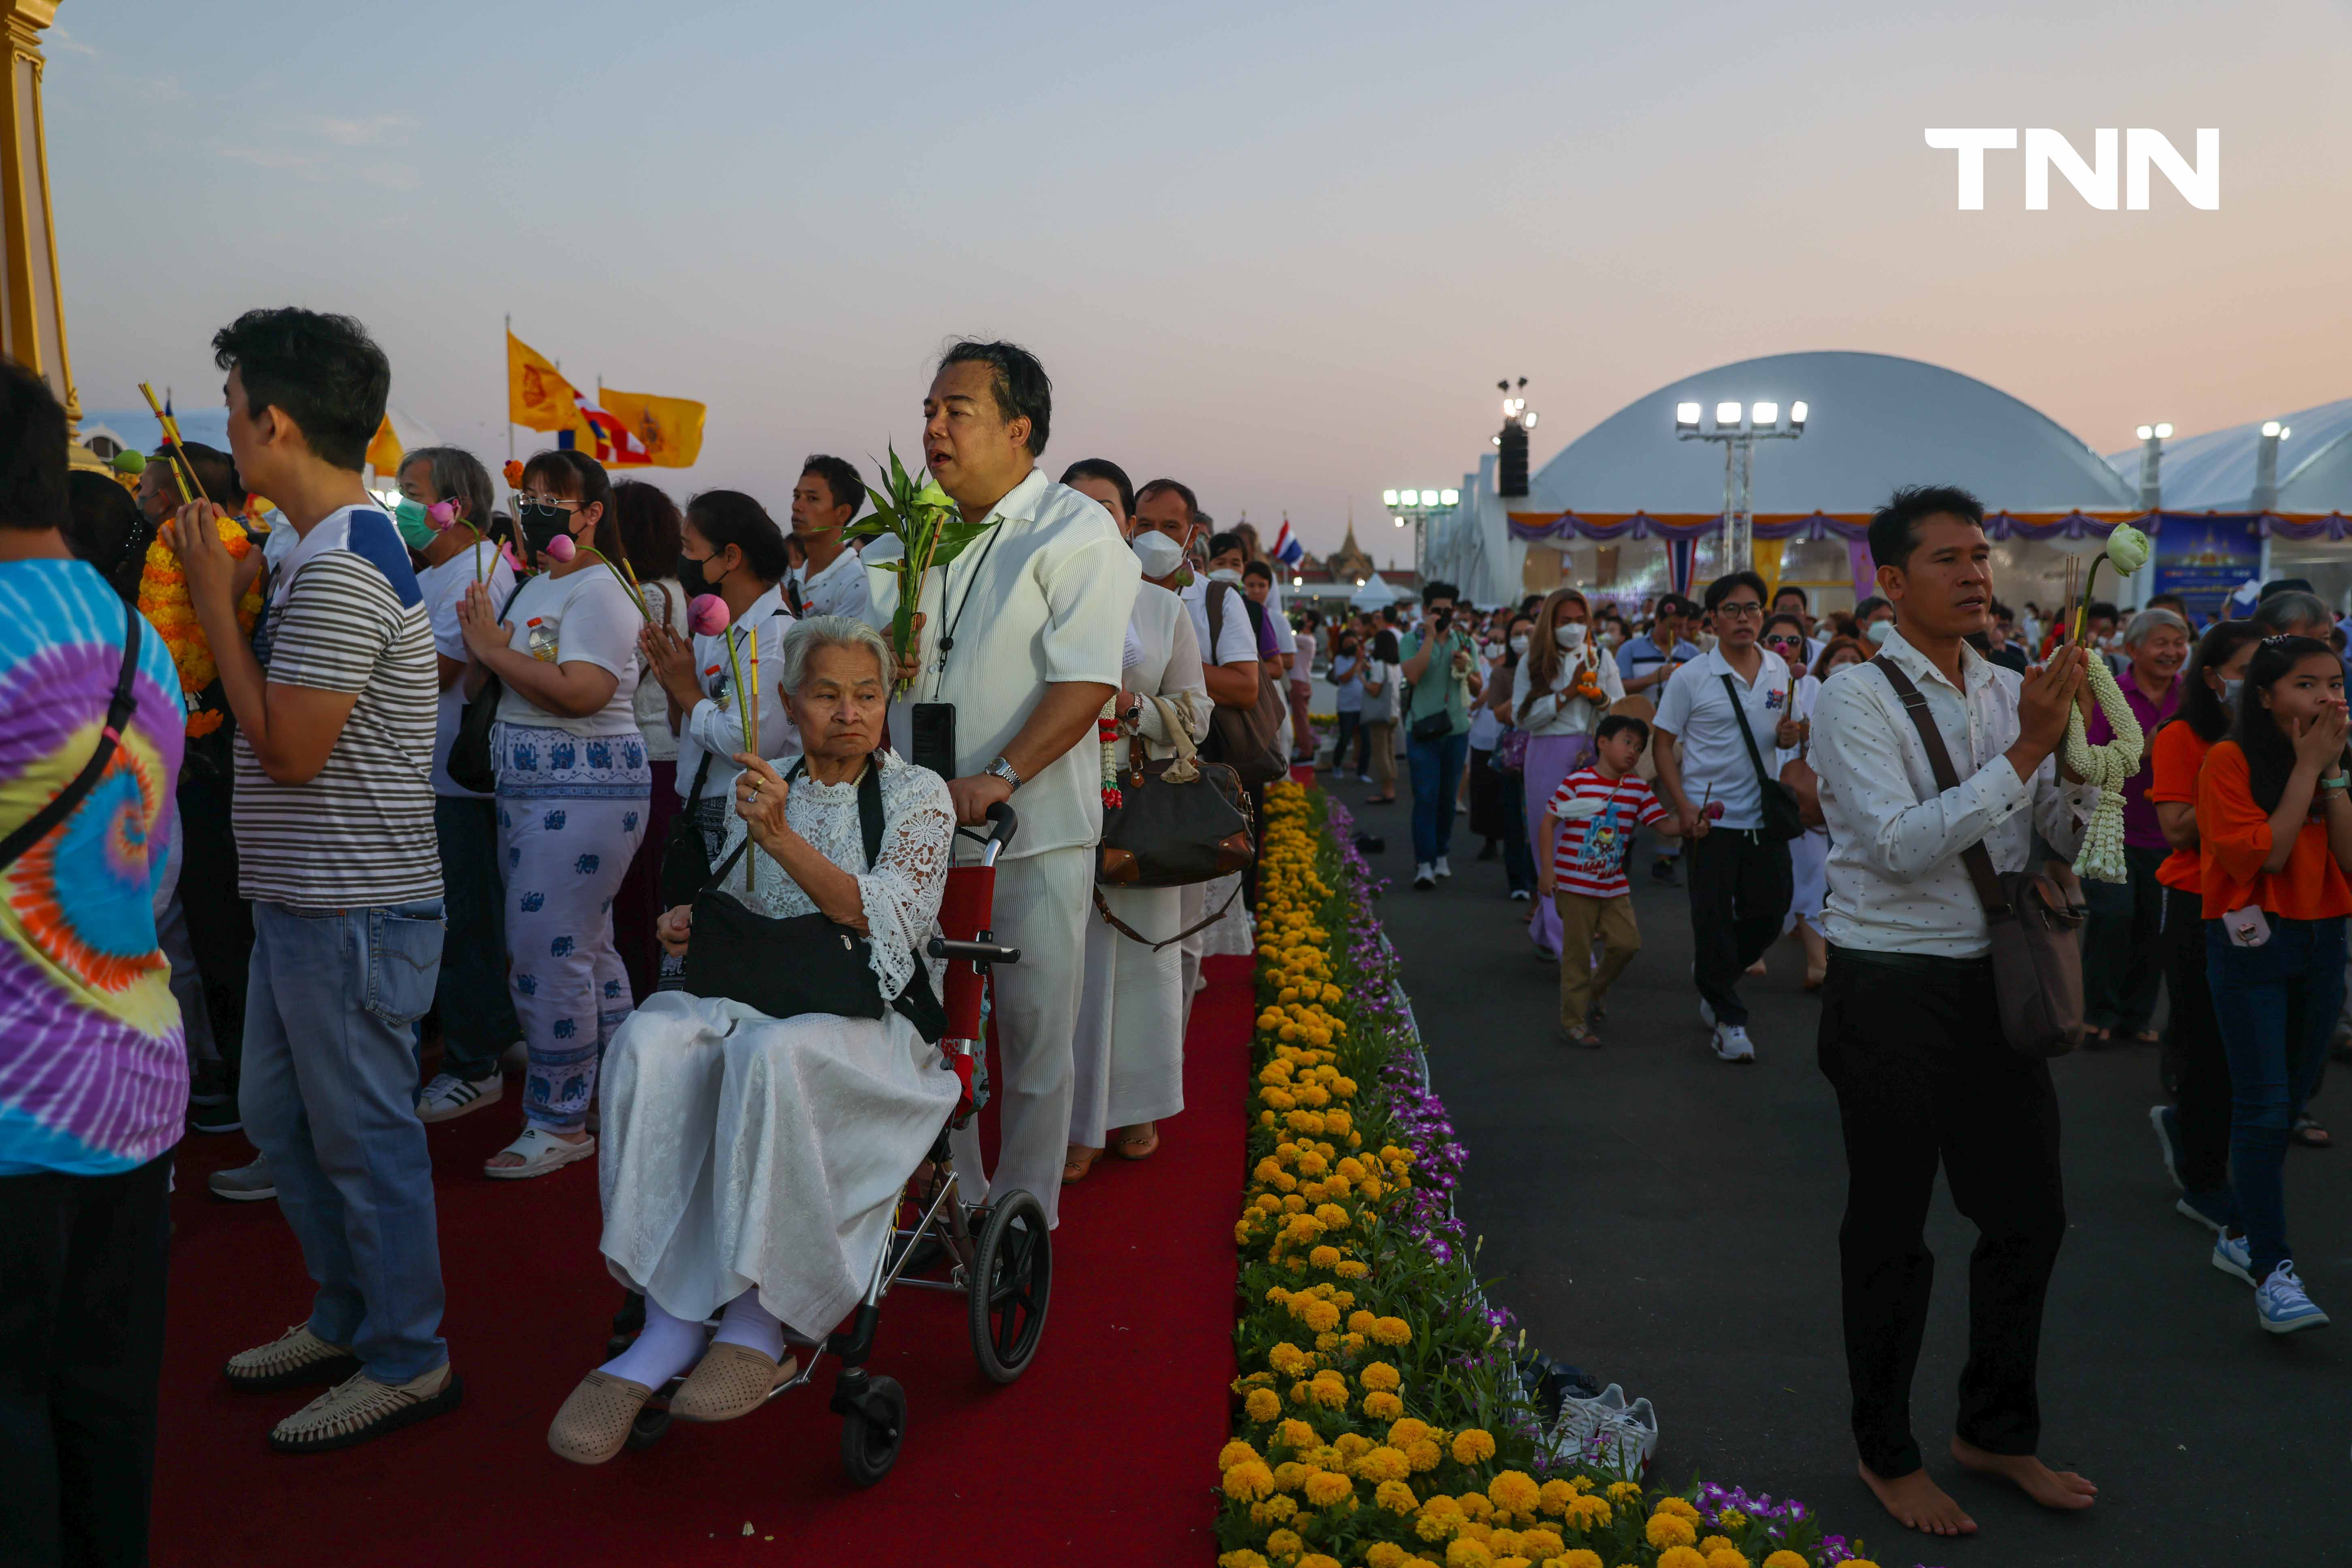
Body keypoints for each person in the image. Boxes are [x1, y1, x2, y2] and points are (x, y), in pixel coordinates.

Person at [549, 617, 961, 1462]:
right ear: (788, 702)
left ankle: (758, 1320)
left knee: (766, 1055)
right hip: (756, 999)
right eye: (827, 694)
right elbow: (740, 910)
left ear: (888, 703)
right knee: (648, 1045)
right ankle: (665, 1326)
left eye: (868, 694)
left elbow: (884, 922)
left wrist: (782, 836)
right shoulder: (761, 782)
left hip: (866, 1025)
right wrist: (687, 923)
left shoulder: (921, 795)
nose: (850, 712)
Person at [180, 307, 459, 1452]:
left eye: (237, 408)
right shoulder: (318, 548)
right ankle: (350, 1315)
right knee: (287, 1127)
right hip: (311, 897)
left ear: (275, 421)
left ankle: (408, 1354)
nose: (229, 432)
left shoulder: (343, 560)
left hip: (354, 903)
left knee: (361, 1138)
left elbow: (290, 751)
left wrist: (209, 603)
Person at [1811, 484, 2100, 1538]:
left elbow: (2038, 842)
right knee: (1892, 1231)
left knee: (2030, 1217)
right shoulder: (1854, 695)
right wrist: (2026, 752)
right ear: (1890, 583)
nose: (1978, 573)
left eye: (1982, 555)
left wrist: (2073, 767)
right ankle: (1885, 1448)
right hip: (1890, 982)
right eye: (1949, 559)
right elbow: (1894, 843)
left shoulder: (2005, 684)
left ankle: (1996, 1428)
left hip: (1996, 981)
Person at [864, 340, 1139, 1231]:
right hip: (915, 823)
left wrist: (1002, 775)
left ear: (1020, 429)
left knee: (1030, 1035)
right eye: (929, 412)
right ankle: (955, 1197)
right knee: (923, 1023)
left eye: (957, 411)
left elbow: (1087, 680)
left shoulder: (1074, 530)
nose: (933, 428)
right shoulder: (918, 528)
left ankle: (1023, 1218)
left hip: (1029, 830)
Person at [0, 361, 187, 1565]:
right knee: (105, 1399)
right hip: (130, 1074)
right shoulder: (139, 640)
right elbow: (152, 866)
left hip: (13, 1096)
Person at [457, 448, 649, 1180]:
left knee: (544, 953)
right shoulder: (538, 582)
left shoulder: (599, 590)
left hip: (585, 792)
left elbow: (582, 691)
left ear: (591, 512)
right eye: (528, 493)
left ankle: (559, 1118)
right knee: (583, 947)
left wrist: (491, 652)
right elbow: (508, 676)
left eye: (552, 497)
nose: (533, 505)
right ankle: (614, 1094)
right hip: (535, 790)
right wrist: (485, 643)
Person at [2194, 635, 2352, 1333]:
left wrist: (2334, 776)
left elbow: (2347, 856)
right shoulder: (2227, 760)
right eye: (2303, 684)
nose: (2324, 697)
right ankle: (2271, 1269)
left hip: (2322, 935)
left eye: (2332, 683)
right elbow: (2265, 854)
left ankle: (2237, 1227)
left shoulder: (2335, 756)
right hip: (2248, 937)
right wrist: (2308, 769)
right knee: (2261, 1106)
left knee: (2287, 1101)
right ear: (2262, 695)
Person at [1065, 488, 1211, 1180]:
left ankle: (1138, 1106)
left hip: (1138, 806)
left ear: (1122, 521)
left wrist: (1131, 708)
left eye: (1106, 505)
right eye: (1076, 503)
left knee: (1140, 964)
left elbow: (1198, 713)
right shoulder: (1044, 592)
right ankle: (1073, 1121)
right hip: (1055, 801)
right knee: (1066, 971)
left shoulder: (1163, 608)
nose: (1094, 518)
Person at [400, 446, 525, 1125]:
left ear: (459, 504)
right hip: (432, 775)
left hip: (461, 779)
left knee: (463, 924)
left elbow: (441, 672)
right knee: (459, 919)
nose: (404, 506)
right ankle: (495, 1033)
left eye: (415, 492)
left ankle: (472, 1066)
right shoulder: (437, 568)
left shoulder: (477, 571)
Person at [637, 490, 797, 991]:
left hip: (739, 822)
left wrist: (687, 691)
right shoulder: (712, 627)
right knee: (681, 968)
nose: (682, 560)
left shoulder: (776, 638)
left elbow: (752, 743)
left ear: (731, 556)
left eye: (690, 547)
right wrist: (674, 688)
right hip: (696, 812)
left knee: (723, 972)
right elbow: (688, 730)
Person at [2147, 620, 2263, 1236]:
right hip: (2199, 900)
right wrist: (2243, 788)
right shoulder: (2182, 736)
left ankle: (2197, 1134)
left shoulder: (2288, 737)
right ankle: (2202, 1177)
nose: (2262, 683)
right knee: (2206, 1042)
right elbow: (2177, 828)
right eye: (2249, 670)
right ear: (2213, 677)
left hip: (2268, 901)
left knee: (2258, 1049)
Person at [1652, 570, 1796, 1062]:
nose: (1744, 618)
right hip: (1710, 819)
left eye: (1753, 608)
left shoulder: (1779, 669)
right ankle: (1729, 1020)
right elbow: (1663, 743)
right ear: (1712, 618)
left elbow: (1773, 736)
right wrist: (1683, 804)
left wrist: (1787, 737)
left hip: (1764, 817)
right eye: (1732, 609)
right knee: (1711, 918)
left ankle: (1715, 976)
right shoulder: (1691, 676)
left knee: (1771, 911)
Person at [2079, 607, 2188, 1045]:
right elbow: (2086, 762)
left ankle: (2138, 1016)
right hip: (2113, 827)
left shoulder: (2192, 697)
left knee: (2155, 928)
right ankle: (2098, 1011)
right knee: (2113, 917)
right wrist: (2146, 751)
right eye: (2161, 643)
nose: (2172, 652)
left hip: (2172, 832)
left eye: (2179, 643)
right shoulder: (2110, 695)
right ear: (2132, 649)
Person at [1536, 714, 1679, 1047]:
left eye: (1640, 748)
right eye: (1627, 742)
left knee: (1628, 943)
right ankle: (1573, 1022)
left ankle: (1594, 992)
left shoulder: (1638, 790)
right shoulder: (1578, 782)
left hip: (1613, 884)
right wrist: (1547, 870)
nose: (1633, 752)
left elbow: (1665, 827)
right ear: (1602, 742)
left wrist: (1693, 822)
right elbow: (1548, 823)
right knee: (1577, 954)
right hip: (1574, 885)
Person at [607, 479, 694, 1006]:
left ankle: (638, 1009)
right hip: (658, 758)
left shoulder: (648, 595)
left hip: (649, 758)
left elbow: (619, 672)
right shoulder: (667, 589)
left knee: (638, 900)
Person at [1515, 588, 1625, 953]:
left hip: (1592, 756)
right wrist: (1567, 695)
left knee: (1587, 849)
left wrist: (1600, 700)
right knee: (1552, 847)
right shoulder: (1533, 661)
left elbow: (1620, 713)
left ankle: (1550, 930)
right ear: (1551, 623)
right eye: (1565, 622)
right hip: (1547, 751)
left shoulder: (1602, 657)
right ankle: (1572, 949)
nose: (1574, 629)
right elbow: (1523, 717)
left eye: (1580, 621)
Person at [1779, 634, 1866, 988]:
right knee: (1813, 876)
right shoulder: (1811, 688)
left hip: (1857, 803)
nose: (1846, 662)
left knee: (1839, 881)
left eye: (1853, 657)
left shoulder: (1878, 697)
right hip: (1810, 798)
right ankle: (1818, 962)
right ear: (1826, 663)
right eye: (1839, 657)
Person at [1400, 580, 1482, 888]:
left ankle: (1442, 853)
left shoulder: (1464, 641)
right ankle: (1424, 862)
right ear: (1425, 611)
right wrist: (1431, 637)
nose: (1444, 615)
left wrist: (1467, 668)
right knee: (1425, 797)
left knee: (1448, 800)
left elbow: (1477, 688)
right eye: (1437, 610)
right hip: (1422, 730)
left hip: (1457, 731)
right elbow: (1413, 675)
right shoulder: (1412, 640)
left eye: (1449, 610)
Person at [789, 455, 872, 622]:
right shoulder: (788, 576)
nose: (797, 506)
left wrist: (787, 615)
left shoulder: (856, 582)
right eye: (797, 496)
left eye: (812, 499)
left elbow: (838, 647)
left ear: (842, 513)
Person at [1359, 627, 1402, 802]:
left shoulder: (1379, 665)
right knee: (1390, 752)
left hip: (1380, 715)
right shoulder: (1395, 666)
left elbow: (1375, 690)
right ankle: (1390, 787)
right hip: (1394, 713)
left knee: (1380, 753)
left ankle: (1387, 790)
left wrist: (1361, 677)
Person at [1328, 626, 1365, 777]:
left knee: (1365, 741)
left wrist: (1364, 662)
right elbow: (1344, 678)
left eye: (1353, 643)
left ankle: (1362, 771)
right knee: (1345, 738)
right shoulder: (1340, 659)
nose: (1351, 646)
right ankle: (1337, 765)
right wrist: (1358, 662)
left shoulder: (1363, 658)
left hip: (1362, 705)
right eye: (1347, 643)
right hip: (1346, 706)